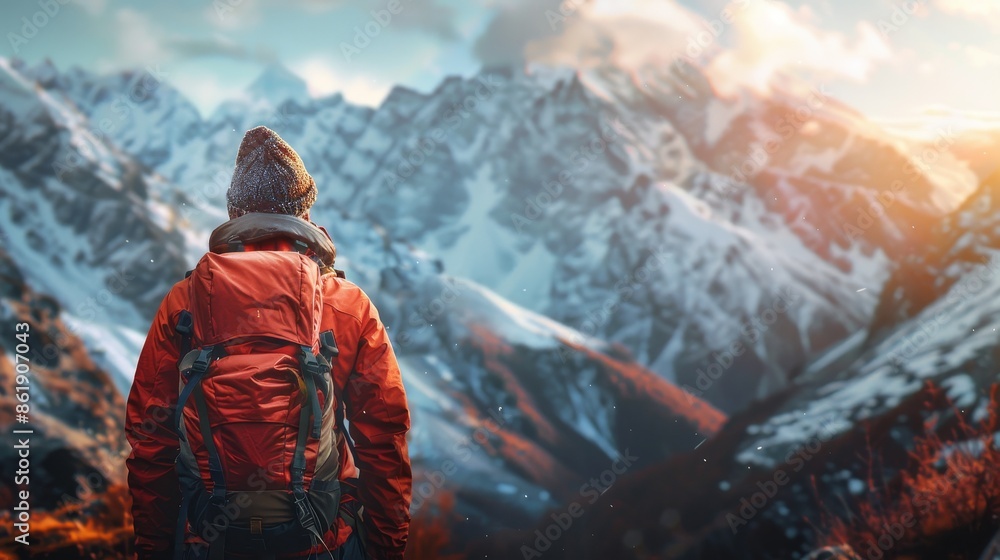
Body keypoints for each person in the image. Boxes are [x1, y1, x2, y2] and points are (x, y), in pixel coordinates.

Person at [126, 126, 412, 560]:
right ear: (305, 213)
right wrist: (388, 548)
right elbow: (384, 438)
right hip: (322, 538)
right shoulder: (347, 306)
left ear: (234, 213)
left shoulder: (184, 304)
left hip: (210, 539)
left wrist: (154, 547)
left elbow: (150, 440)